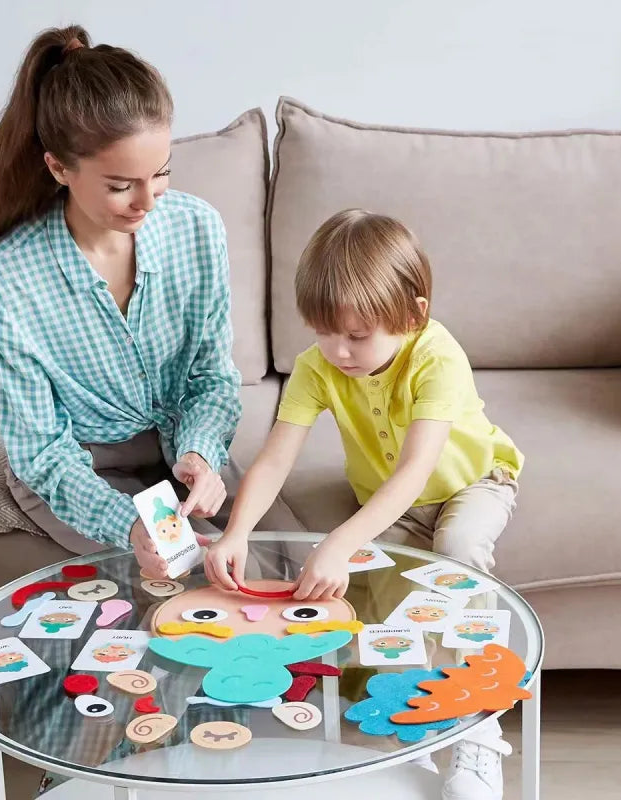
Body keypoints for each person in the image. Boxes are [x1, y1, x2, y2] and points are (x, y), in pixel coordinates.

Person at [206, 209, 523, 800]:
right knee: (386, 602)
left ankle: (480, 729)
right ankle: (419, 727)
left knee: (456, 552)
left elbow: (413, 472)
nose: (338, 352)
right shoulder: (317, 366)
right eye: (324, 333)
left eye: (356, 336)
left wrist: (339, 541)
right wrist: (235, 532)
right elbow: (274, 459)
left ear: (413, 316)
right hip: (391, 504)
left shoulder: (437, 357)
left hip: (473, 484)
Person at [0, 24, 244, 579]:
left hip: (179, 446)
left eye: (160, 174)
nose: (146, 201)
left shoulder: (198, 228)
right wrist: (129, 525)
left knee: (258, 558)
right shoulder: (5, 279)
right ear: (59, 169)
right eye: (119, 185)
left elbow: (212, 377)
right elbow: (42, 451)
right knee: (178, 572)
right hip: (80, 466)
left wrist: (201, 455)